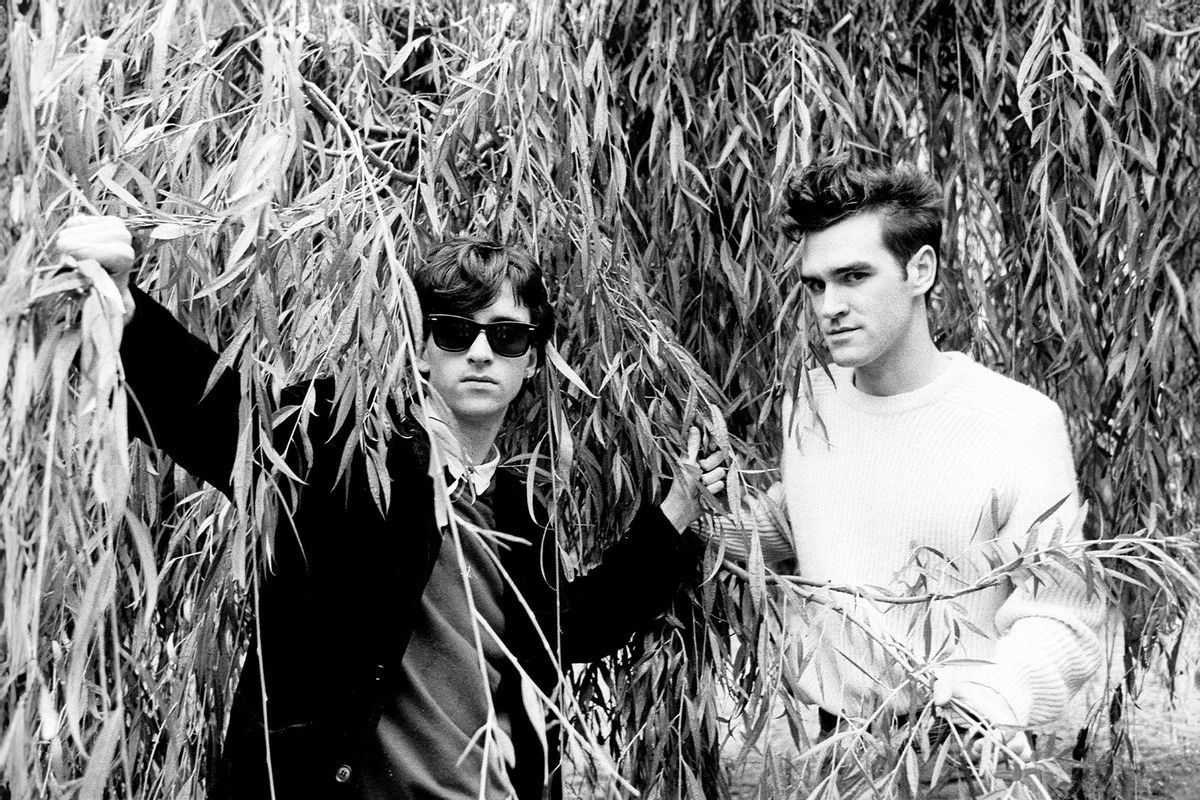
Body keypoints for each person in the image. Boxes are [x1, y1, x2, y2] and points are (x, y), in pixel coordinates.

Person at [54, 216, 727, 800]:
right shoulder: (339, 452)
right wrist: (120, 309)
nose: (483, 352)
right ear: (421, 348)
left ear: (534, 363)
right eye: (457, 331)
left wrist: (671, 516)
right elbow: (216, 418)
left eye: (509, 338)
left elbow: (568, 629)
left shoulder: (522, 510)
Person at [702, 158, 1105, 786]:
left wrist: (995, 698)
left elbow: (1063, 616)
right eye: (814, 285)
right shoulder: (809, 404)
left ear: (921, 269)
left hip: (967, 754)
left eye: (854, 277)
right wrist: (688, 511)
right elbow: (806, 530)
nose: (829, 306)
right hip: (838, 753)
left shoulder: (1017, 421)